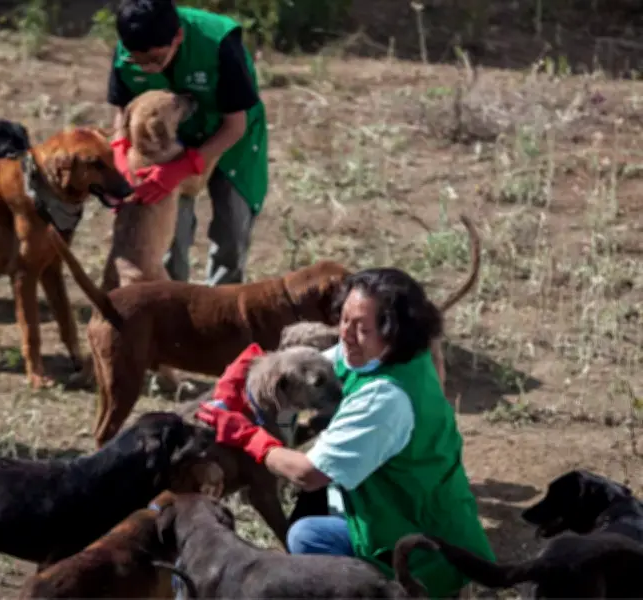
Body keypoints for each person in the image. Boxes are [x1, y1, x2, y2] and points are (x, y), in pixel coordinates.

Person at [196, 267, 496, 598]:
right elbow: (311, 366)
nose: (347, 335)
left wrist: (250, 437)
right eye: (344, 320)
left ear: (392, 334)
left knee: (307, 536)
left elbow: (308, 474)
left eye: (362, 328)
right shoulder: (389, 355)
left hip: (417, 540)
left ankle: (384, 590)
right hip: (420, 505)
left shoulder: (385, 398)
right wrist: (257, 369)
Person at [107, 0, 268, 286]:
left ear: (178, 37)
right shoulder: (132, 45)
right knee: (169, 238)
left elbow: (235, 126)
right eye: (138, 62)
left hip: (230, 140)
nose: (147, 68)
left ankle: (221, 316)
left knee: (230, 234)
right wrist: (120, 155)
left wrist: (185, 167)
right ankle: (173, 312)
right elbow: (122, 111)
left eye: (156, 60)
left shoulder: (218, 43)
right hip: (164, 144)